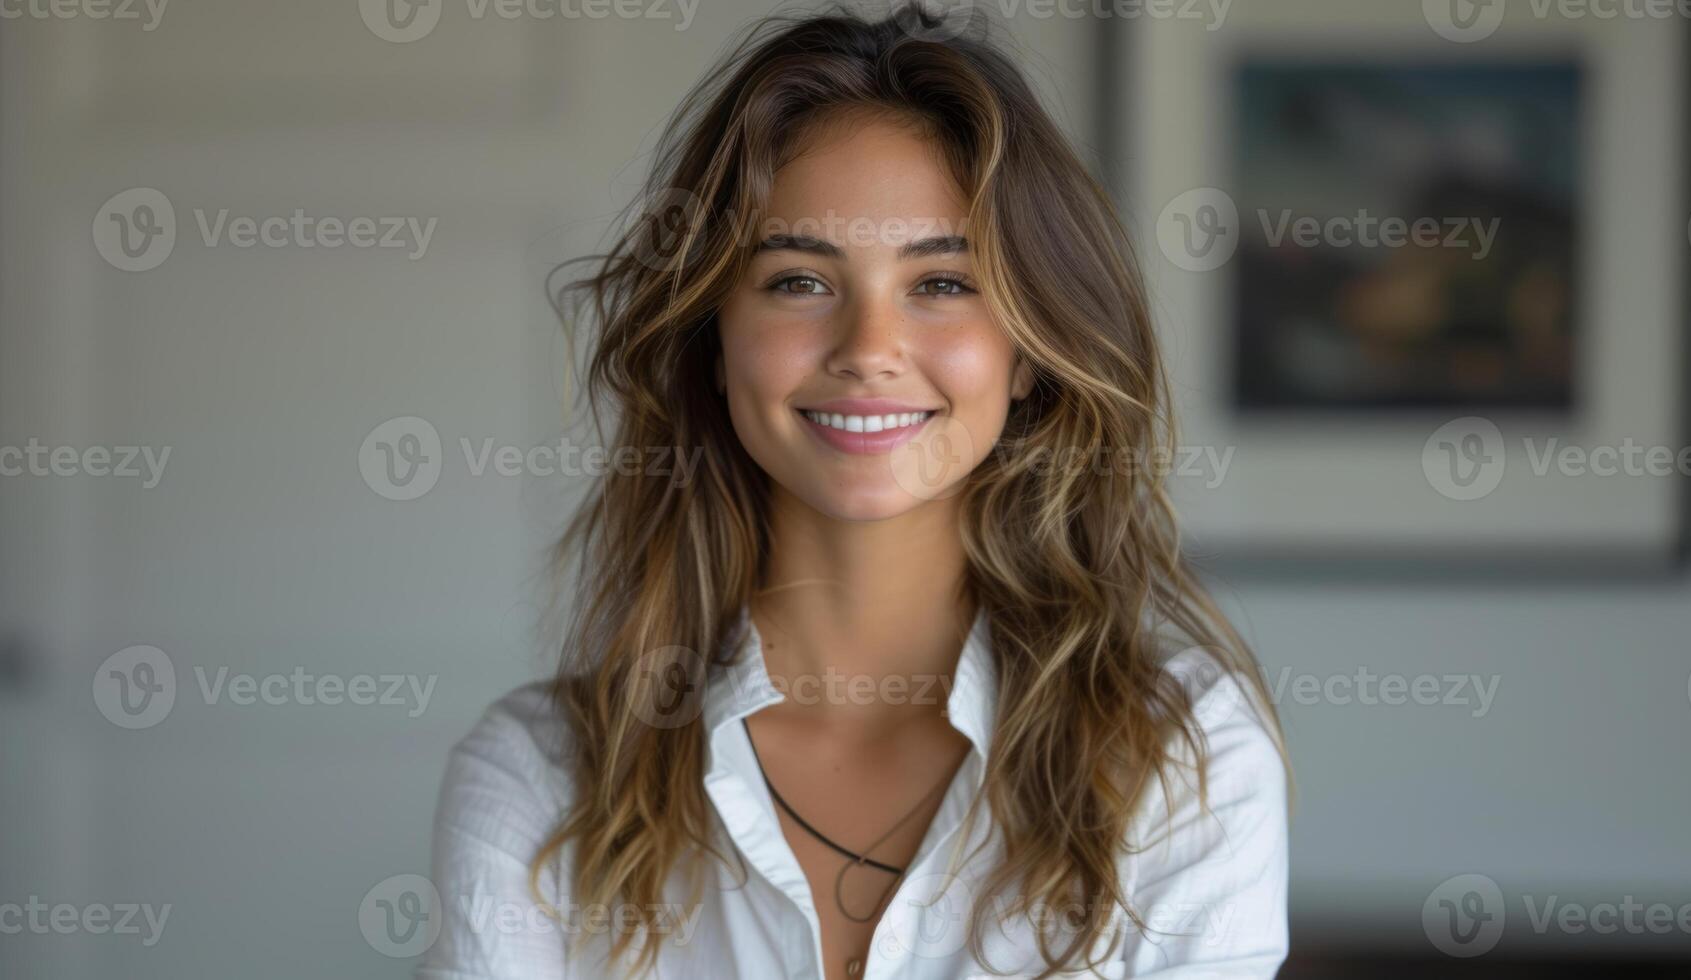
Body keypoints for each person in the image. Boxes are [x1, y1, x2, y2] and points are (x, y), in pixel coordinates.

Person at [418, 4, 1290, 978]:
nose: (870, 349)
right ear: (714, 339)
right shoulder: (538, 780)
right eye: (798, 280)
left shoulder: (1177, 756)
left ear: (1033, 352)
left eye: (943, 283)